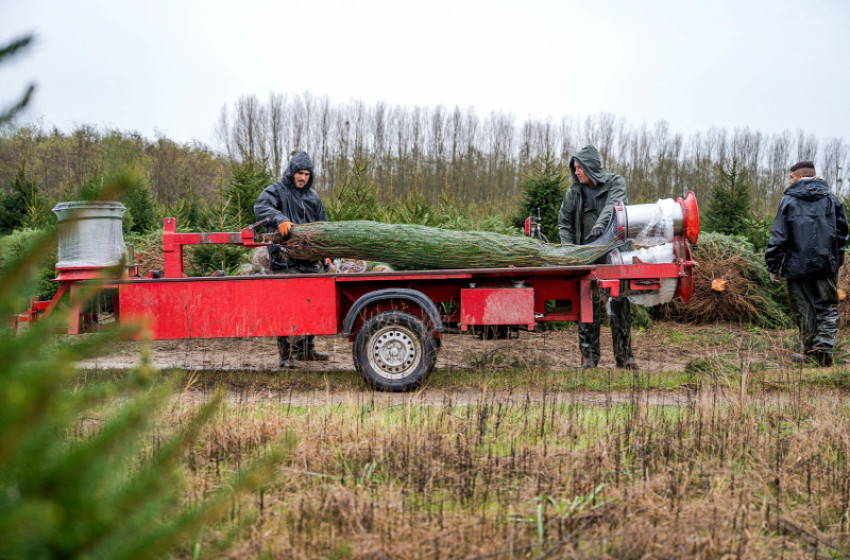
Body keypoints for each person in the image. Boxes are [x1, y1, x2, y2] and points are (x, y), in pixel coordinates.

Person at [558, 144, 637, 370]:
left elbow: (615, 204)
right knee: (587, 305)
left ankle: (625, 357)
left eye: (579, 167)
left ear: (590, 167)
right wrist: (570, 250)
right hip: (586, 256)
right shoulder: (574, 193)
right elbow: (564, 222)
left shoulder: (615, 182)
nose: (576, 172)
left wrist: (601, 226)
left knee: (619, 303)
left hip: (615, 253)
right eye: (574, 168)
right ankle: (589, 358)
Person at [765, 160, 848, 367]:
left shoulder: (788, 201)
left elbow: (779, 236)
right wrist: (837, 261)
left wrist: (774, 266)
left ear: (800, 177)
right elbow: (842, 233)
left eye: (791, 177)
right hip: (824, 265)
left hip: (796, 266)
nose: (789, 182)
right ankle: (822, 351)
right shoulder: (831, 200)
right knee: (827, 307)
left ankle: (811, 351)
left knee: (804, 310)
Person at [254, 151, 332, 368]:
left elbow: (323, 226)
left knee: (313, 306)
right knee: (287, 309)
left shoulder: (313, 197)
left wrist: (327, 255)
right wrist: (279, 218)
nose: (303, 178)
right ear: (291, 172)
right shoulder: (276, 191)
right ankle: (287, 357)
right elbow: (260, 208)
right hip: (285, 262)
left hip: (310, 263)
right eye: (299, 173)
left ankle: (307, 350)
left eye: (307, 174)